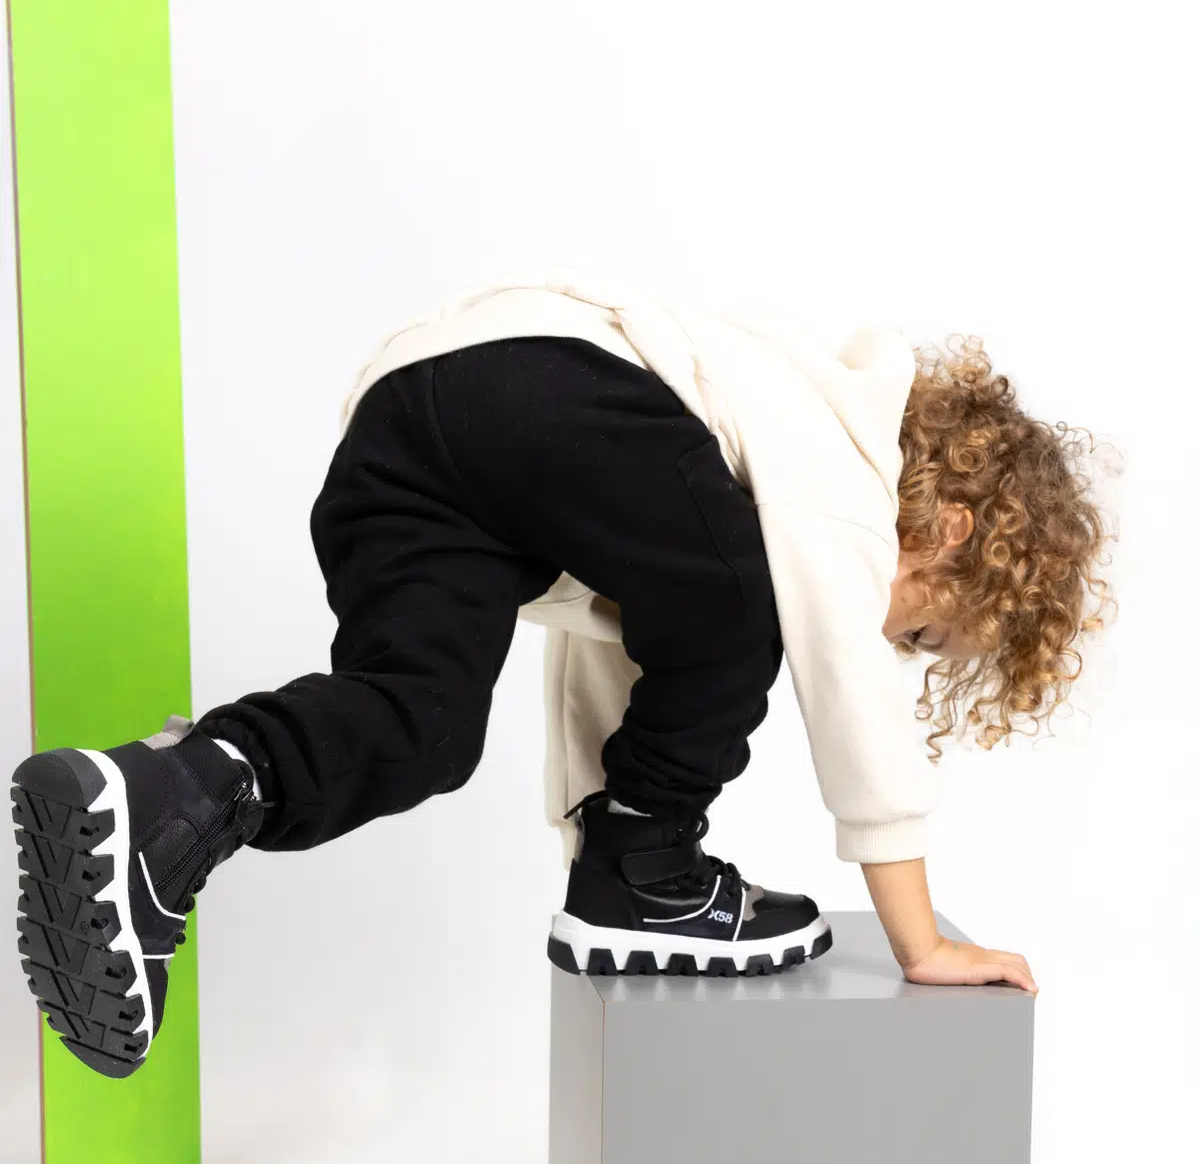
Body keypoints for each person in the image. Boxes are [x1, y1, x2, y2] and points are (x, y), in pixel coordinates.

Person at [12, 273, 1114, 1078]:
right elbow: (848, 699)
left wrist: (601, 854)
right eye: (927, 634)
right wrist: (922, 943)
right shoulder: (845, 471)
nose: (900, 648)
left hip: (410, 423)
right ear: (951, 531)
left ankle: (175, 795)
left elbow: (615, 662)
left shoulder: (707, 506)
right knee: (749, 604)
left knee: (423, 725)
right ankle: (651, 869)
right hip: (537, 377)